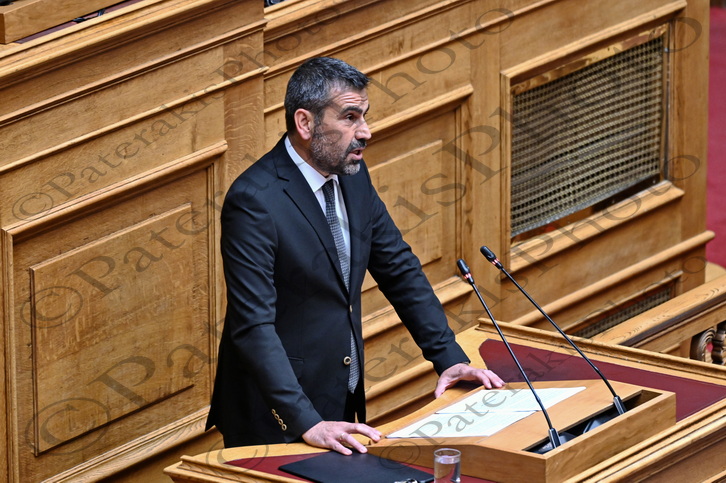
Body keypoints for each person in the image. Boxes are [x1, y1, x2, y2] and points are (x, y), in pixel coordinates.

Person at [205, 56, 504, 455]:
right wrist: (307, 421)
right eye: (349, 117)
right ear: (305, 123)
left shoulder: (352, 175)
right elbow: (253, 325)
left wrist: (447, 357)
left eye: (364, 116)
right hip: (276, 413)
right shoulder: (254, 201)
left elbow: (398, 268)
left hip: (340, 393)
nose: (365, 131)